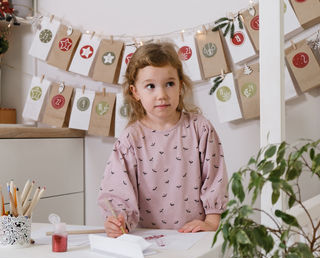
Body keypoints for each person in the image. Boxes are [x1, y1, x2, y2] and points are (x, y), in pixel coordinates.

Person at [97, 42, 228, 238]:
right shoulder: (130, 140)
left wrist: (211, 221)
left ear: (180, 86)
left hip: (194, 235)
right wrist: (117, 220)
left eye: (170, 84)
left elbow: (215, 177)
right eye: (150, 86)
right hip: (148, 240)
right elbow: (117, 187)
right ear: (135, 92)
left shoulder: (200, 128)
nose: (162, 95)